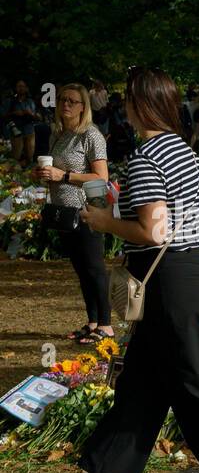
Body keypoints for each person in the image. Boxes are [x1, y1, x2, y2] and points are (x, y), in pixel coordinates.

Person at [72, 67, 199, 473]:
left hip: (167, 276)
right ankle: (109, 469)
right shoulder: (184, 152)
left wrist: (104, 221)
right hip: (186, 270)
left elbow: (152, 230)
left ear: (139, 105)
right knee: (143, 378)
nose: (123, 108)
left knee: (194, 376)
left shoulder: (147, 157)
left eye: (128, 100)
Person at [34, 83, 112, 344]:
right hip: (64, 213)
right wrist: (46, 175)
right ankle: (92, 322)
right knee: (81, 269)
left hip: (87, 210)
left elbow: (101, 178)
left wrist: (63, 175)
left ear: (83, 107)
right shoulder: (57, 134)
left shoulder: (90, 135)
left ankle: (107, 325)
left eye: (72, 101)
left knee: (94, 268)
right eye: (62, 100)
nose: (65, 104)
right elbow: (56, 172)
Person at [4, 80, 38, 164]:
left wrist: (30, 113)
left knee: (30, 156)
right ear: (16, 88)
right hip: (16, 131)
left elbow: (36, 117)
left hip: (29, 131)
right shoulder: (10, 101)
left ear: (26, 88)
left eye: (23, 86)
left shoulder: (30, 101)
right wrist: (14, 113)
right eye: (19, 86)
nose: (21, 88)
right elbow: (3, 115)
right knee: (16, 156)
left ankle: (29, 174)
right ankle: (12, 175)